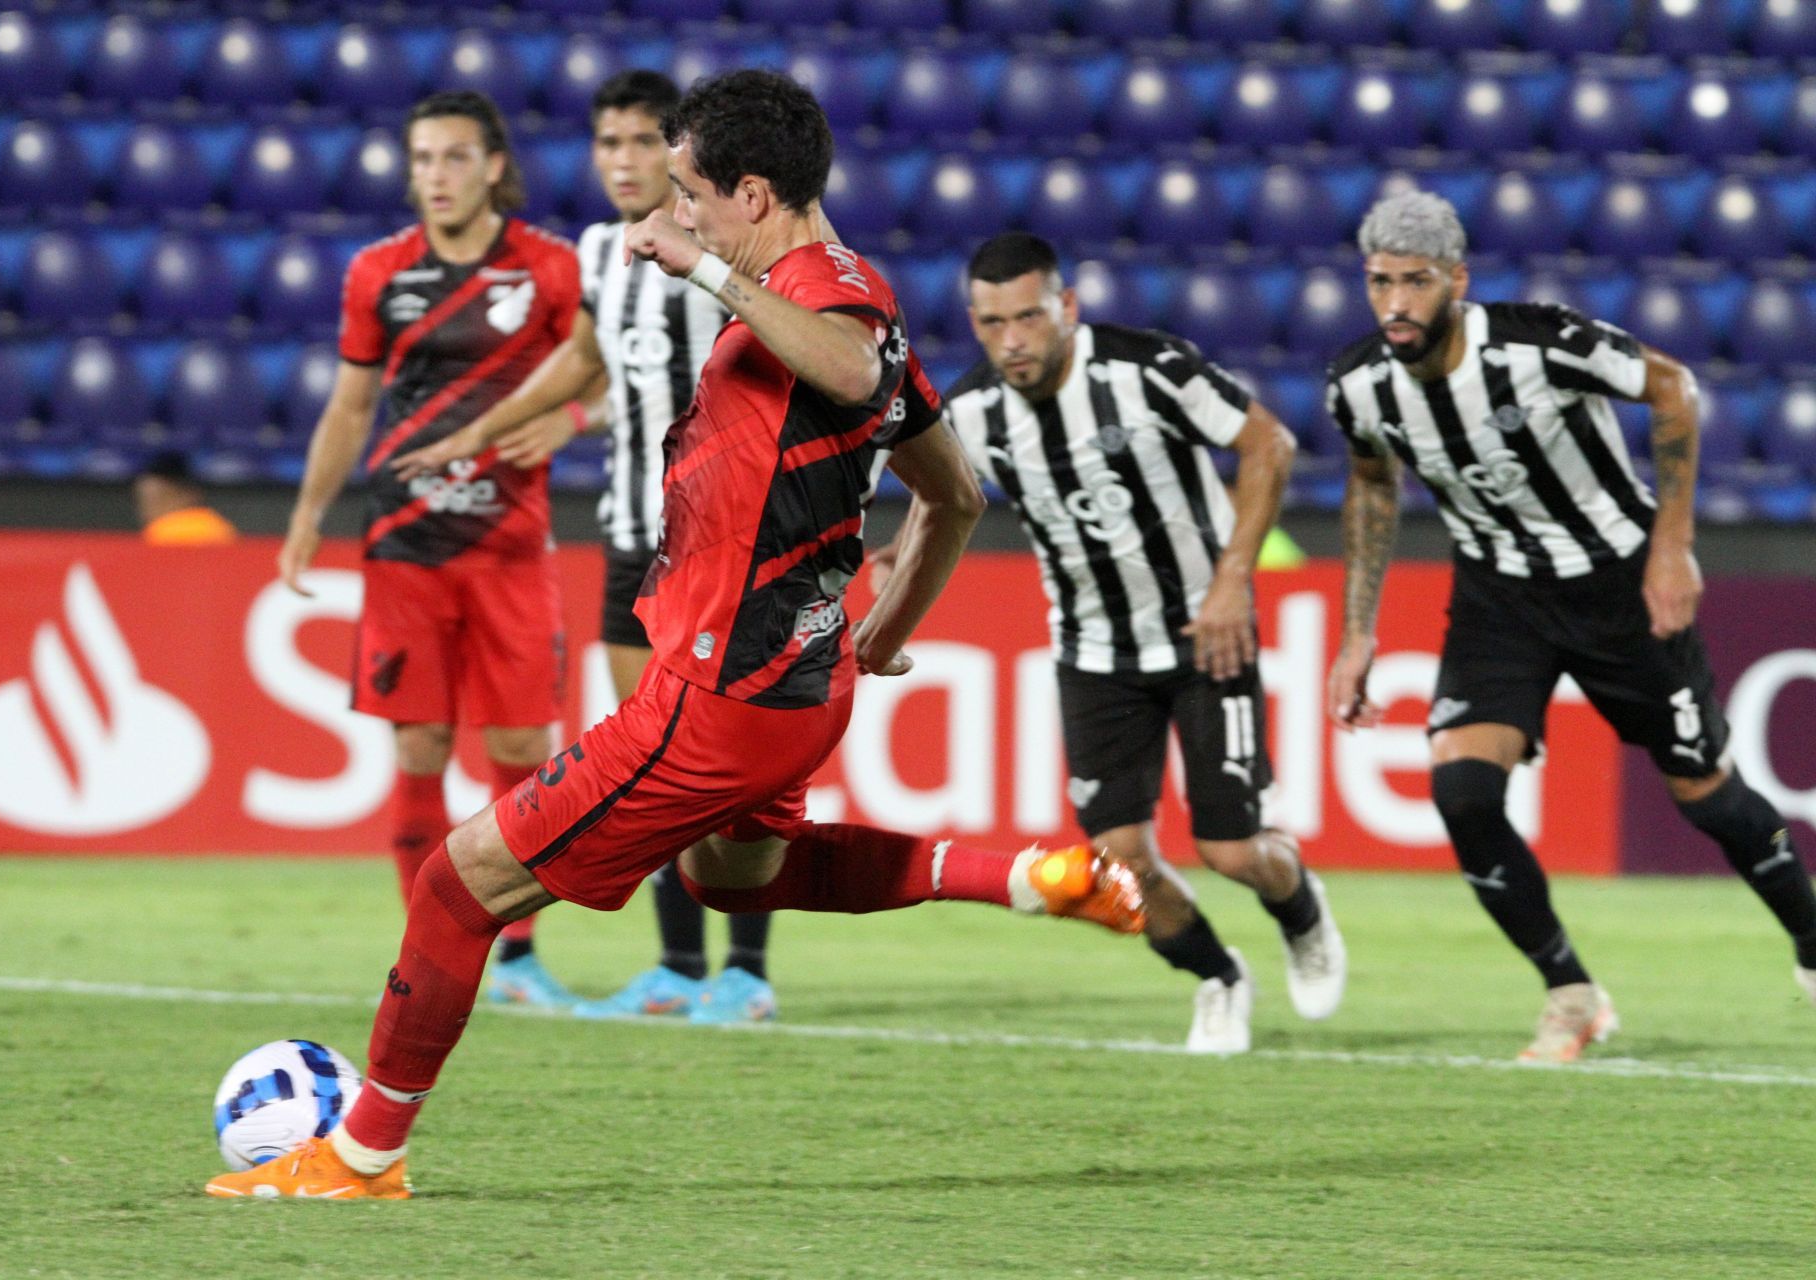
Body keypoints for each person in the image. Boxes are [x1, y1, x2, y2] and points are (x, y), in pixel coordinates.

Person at [208, 70, 1148, 1201]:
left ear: (753, 193)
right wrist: (881, 635)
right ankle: (1031, 875)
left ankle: (360, 1155)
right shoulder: (859, 289)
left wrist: (699, 266)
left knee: (457, 888)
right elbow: (954, 495)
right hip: (805, 685)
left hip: (716, 695)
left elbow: (853, 374)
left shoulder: (828, 318)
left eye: (695, 192)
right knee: (731, 877)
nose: (678, 211)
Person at [1325, 190, 1816, 1063]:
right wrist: (1358, 631)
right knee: (1462, 791)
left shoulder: (1535, 344)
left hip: (1618, 584)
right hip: (1499, 598)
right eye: (1379, 282)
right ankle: (1570, 993)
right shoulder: (1361, 384)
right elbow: (1371, 483)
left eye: (1416, 281)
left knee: (1705, 792)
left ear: (1457, 281)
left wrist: (1673, 546)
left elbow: (1672, 387)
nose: (1396, 303)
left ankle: (1811, 938)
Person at [393, 71, 776, 1025]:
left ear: (679, 151)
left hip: (719, 540)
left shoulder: (724, 252)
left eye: (642, 142)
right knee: (658, 762)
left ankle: (748, 971)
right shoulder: (603, 253)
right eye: (607, 144)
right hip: (625, 536)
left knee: (728, 760)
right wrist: (496, 425)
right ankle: (682, 967)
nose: (622, 161)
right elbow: (594, 360)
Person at [938, 232, 1346, 1054]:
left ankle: (1298, 904)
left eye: (1027, 317)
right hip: (1092, 652)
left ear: (1066, 307)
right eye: (991, 324)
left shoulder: (1146, 369)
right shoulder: (973, 411)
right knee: (1118, 863)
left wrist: (1234, 581)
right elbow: (943, 500)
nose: (1011, 339)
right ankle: (1218, 978)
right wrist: (905, 553)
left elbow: (1268, 442)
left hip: (1205, 634)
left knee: (1231, 850)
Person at [275, 91, 586, 1008]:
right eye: (421, 160)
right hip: (406, 542)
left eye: (453, 158)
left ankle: (519, 954)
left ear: (493, 166)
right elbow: (350, 405)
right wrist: (305, 517)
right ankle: (430, 950)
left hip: (511, 543)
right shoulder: (379, 273)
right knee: (420, 747)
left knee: (525, 742)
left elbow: (610, 377)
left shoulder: (551, 270)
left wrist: (571, 417)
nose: (435, 178)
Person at [135, 451, 237, 546]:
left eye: (156, 499)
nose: (145, 510)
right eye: (143, 501)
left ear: (188, 494)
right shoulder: (219, 525)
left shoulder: (164, 532)